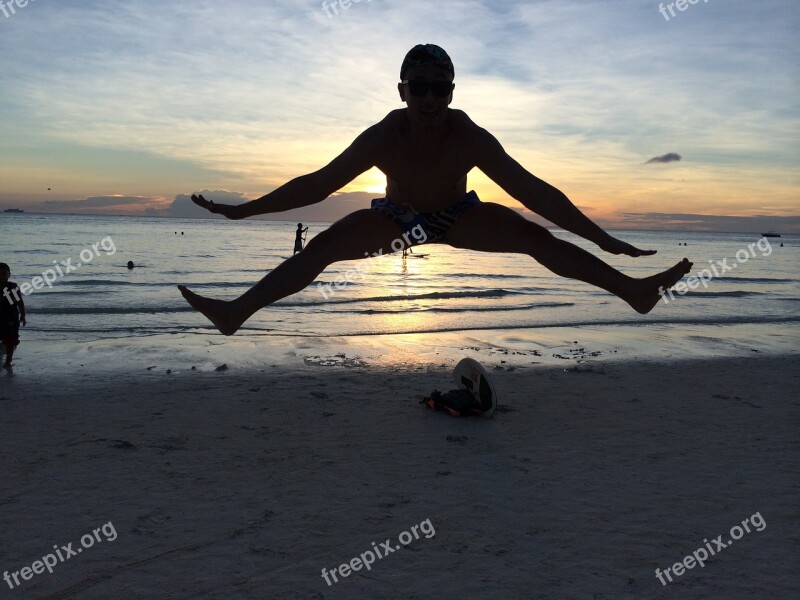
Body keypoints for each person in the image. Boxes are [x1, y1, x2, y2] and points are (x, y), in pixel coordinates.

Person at [179, 44, 691, 336]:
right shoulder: (384, 134)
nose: (429, 98)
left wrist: (601, 237)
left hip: (457, 216)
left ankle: (635, 290)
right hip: (397, 220)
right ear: (402, 90)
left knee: (541, 239)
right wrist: (244, 211)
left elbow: (535, 190)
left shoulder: (468, 135)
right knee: (322, 251)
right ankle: (234, 312)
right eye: (418, 86)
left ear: (451, 92)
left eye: (439, 88)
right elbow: (317, 184)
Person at [0, 262, 26, 368]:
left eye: (4, 274)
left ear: (9, 274)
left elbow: (19, 302)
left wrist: (23, 315)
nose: (1, 276)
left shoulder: (12, 287)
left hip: (10, 318)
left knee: (10, 341)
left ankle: (8, 360)